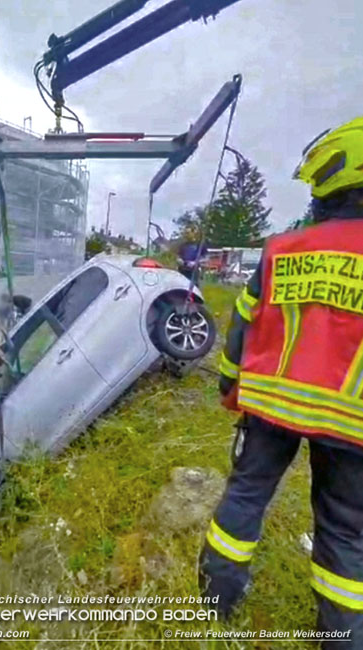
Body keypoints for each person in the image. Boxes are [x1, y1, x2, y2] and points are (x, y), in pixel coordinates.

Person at [199, 118, 363, 647]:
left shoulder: (281, 250)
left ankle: (215, 599)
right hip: (352, 422)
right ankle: (342, 637)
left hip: (270, 406)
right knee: (345, 532)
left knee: (244, 497)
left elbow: (242, 324)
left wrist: (229, 384)